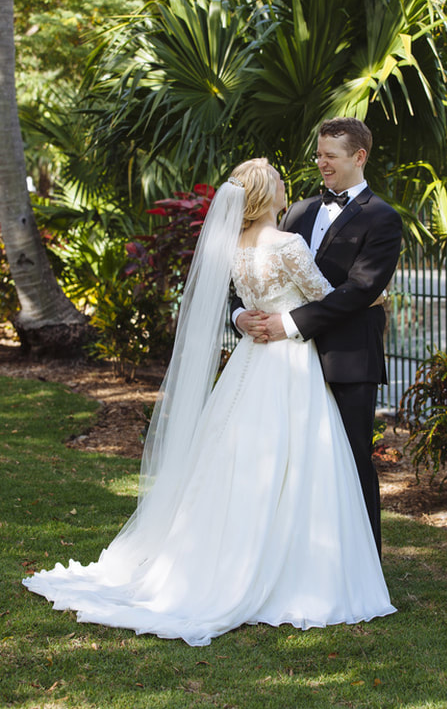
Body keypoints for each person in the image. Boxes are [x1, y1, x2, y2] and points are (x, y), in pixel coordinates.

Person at [22, 158, 395, 646]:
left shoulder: (233, 247)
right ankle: (296, 570)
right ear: (268, 196)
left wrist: (244, 319)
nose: (289, 187)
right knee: (301, 460)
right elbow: (323, 295)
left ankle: (219, 555)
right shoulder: (288, 243)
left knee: (233, 459)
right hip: (290, 364)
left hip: (249, 362)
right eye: (280, 183)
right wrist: (375, 295)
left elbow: (236, 299)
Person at [235, 119, 403, 556]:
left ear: (359, 156)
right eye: (319, 154)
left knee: (349, 461)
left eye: (330, 155)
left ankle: (362, 562)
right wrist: (241, 317)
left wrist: (289, 323)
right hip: (286, 361)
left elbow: (362, 289)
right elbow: (253, 279)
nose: (321, 163)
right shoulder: (298, 211)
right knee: (290, 463)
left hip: (348, 357)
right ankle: (298, 556)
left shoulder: (382, 219)